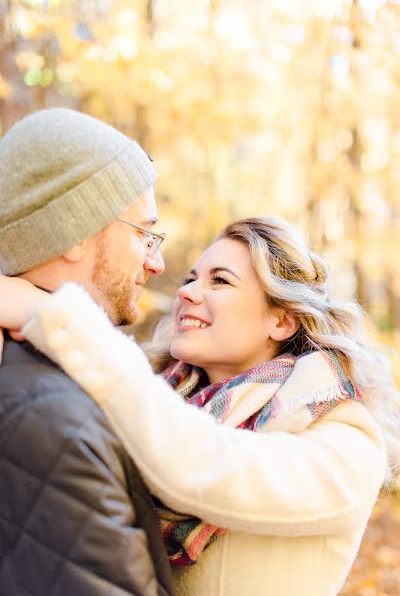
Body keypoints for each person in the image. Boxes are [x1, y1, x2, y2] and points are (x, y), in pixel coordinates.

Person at [1, 217, 399, 596]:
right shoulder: (162, 397)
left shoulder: (347, 443)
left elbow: (205, 466)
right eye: (190, 279)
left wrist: (59, 319)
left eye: (220, 281)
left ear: (281, 321)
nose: (186, 292)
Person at [0, 108, 173, 596]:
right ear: (75, 232)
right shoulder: (52, 420)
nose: (156, 261)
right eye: (144, 233)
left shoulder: (56, 387)